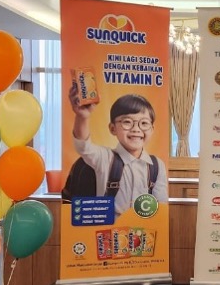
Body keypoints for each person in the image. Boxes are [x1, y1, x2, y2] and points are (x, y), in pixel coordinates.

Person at [63, 84, 168, 216]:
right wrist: (82, 117)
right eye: (127, 122)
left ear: (152, 129)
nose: (136, 129)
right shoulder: (105, 158)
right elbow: (83, 147)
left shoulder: (156, 166)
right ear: (113, 128)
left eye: (144, 123)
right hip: (108, 228)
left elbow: (161, 207)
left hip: (143, 228)